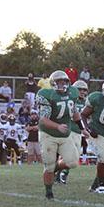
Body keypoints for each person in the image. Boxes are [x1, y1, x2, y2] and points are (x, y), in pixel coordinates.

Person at [36, 70, 84, 199]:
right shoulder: (47, 95)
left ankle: (55, 167)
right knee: (49, 166)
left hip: (64, 134)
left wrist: (82, 128)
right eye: (59, 82)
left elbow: (74, 113)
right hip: (48, 134)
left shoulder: (72, 93)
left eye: (64, 82)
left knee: (73, 162)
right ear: (53, 83)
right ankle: (49, 192)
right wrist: (57, 126)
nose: (62, 84)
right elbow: (43, 119)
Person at [57, 80, 90, 184]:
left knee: (75, 157)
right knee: (68, 154)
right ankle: (60, 174)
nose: (82, 92)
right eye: (80, 89)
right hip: (68, 130)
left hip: (78, 132)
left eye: (84, 90)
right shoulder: (70, 99)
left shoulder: (86, 103)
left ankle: (61, 173)